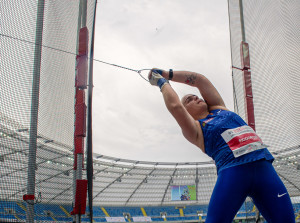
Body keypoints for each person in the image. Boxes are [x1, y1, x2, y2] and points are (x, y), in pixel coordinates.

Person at [148, 69, 295, 223]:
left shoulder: (220, 108)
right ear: (186, 113)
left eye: (195, 96)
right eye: (189, 100)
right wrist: (161, 82)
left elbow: (199, 79)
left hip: (264, 168)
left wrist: (167, 73)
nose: (195, 97)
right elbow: (175, 106)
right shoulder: (195, 129)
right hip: (233, 173)